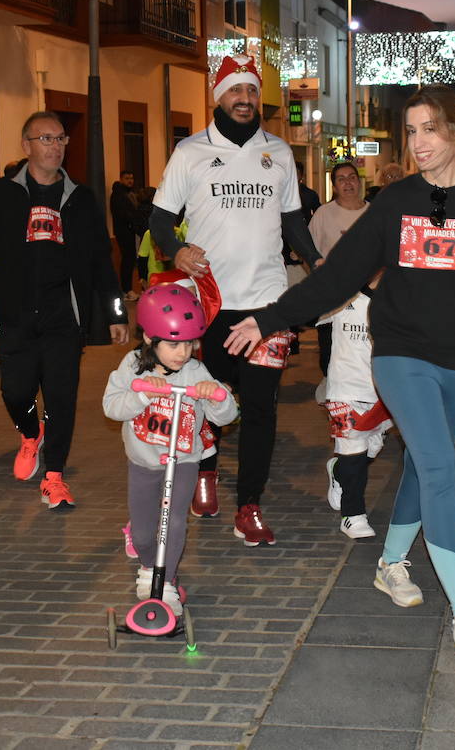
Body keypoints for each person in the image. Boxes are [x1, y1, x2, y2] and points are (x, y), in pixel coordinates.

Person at [225, 85, 455, 656]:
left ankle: (391, 563)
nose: (419, 142)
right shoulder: (394, 202)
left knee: (426, 466)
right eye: (411, 131)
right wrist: (269, 320)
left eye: (430, 130)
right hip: (400, 353)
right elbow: (338, 276)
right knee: (442, 466)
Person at [147, 53, 321, 544]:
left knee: (262, 407)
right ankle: (205, 471)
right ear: (218, 98)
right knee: (209, 398)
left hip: (267, 305)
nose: (244, 100)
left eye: (250, 92)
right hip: (211, 304)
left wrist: (316, 261)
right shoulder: (190, 152)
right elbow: (160, 219)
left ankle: (250, 505)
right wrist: (177, 251)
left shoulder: (280, 153)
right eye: (235, 92)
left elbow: (292, 220)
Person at [0, 111, 128, 507]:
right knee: (15, 390)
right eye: (46, 139)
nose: (55, 147)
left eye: (60, 139)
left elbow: (102, 261)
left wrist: (116, 312)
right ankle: (29, 432)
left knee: (61, 395)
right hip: (15, 314)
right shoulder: (1, 195)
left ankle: (54, 475)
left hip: (63, 317)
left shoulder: (81, 198)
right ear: (27, 146)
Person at [102, 283, 238, 614]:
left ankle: (164, 581)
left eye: (190, 344)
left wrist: (213, 393)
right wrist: (145, 394)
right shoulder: (133, 365)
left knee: (174, 522)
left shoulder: (195, 371)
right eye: (174, 344)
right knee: (146, 534)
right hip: (143, 463)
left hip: (184, 462)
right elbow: (112, 407)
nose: (183, 353)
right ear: (150, 339)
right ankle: (148, 560)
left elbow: (228, 413)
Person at [318, 274, 391, 539]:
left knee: (371, 446)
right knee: (353, 449)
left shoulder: (400, 293)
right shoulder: (344, 293)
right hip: (344, 388)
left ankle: (338, 470)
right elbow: (308, 309)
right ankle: (353, 515)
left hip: (384, 389)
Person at [308, 161, 369, 375]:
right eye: (341, 179)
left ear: (358, 181)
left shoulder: (375, 213)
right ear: (334, 186)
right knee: (331, 356)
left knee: (365, 354)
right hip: (332, 298)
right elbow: (308, 254)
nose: (347, 183)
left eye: (351, 177)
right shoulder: (323, 214)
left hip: (368, 297)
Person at [110, 170, 139, 301]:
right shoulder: (118, 194)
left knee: (130, 259)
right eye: (127, 178)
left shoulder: (129, 193)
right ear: (121, 179)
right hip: (124, 231)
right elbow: (124, 214)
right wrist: (133, 222)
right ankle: (127, 290)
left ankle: (127, 289)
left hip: (129, 230)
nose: (130, 181)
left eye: (132, 178)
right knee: (128, 260)